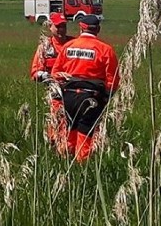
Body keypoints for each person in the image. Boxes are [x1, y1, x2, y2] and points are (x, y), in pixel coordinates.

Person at [51, 14, 119, 162]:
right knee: (86, 130)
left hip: (68, 95)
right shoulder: (106, 49)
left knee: (69, 127)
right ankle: (82, 164)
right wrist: (107, 97)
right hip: (92, 97)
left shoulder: (68, 46)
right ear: (98, 29)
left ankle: (64, 160)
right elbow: (112, 80)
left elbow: (55, 73)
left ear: (81, 28)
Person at [29, 12, 74, 146]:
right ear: (50, 27)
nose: (61, 29)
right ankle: (55, 145)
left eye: (63, 26)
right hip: (54, 92)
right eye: (58, 26)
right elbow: (35, 72)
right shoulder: (45, 47)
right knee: (57, 119)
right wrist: (46, 76)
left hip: (74, 91)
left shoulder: (74, 44)